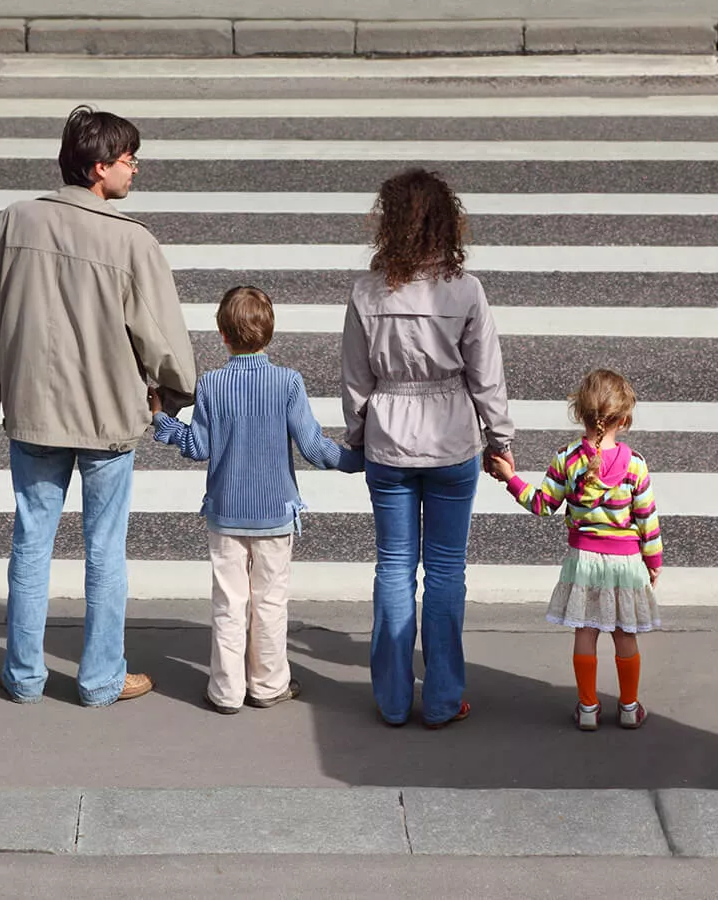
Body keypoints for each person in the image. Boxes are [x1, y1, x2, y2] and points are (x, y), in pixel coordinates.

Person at [0, 105, 197, 707]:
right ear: (99, 170)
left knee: (31, 543)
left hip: (35, 412)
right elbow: (161, 339)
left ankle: (23, 676)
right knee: (105, 550)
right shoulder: (130, 240)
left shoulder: (17, 221)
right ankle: (99, 680)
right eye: (127, 160)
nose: (135, 169)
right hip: (108, 419)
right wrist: (172, 394)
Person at [340, 168, 515, 729]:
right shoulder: (465, 290)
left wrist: (358, 436)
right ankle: (442, 697)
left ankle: (392, 699)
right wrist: (500, 440)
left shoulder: (367, 291)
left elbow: (355, 380)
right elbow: (487, 376)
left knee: (393, 568)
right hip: (452, 440)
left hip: (389, 439)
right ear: (446, 223)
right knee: (444, 570)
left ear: (388, 225)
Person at [151, 285, 364, 714]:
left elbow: (198, 446)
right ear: (269, 333)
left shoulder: (211, 384)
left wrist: (162, 420)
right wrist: (363, 462)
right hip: (274, 515)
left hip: (225, 514)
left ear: (223, 335)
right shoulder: (287, 382)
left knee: (229, 603)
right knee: (269, 602)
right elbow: (313, 446)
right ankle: (267, 685)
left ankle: (225, 690)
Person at [488, 369, 662, 731]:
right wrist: (654, 562)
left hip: (583, 559)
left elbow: (542, 504)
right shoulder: (635, 464)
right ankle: (629, 707)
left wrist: (510, 479)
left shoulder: (567, 458)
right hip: (626, 560)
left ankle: (587, 707)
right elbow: (647, 519)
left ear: (578, 413)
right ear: (624, 419)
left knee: (586, 630)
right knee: (623, 634)